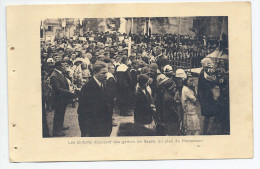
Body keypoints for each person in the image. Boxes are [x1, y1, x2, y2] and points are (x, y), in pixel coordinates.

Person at [78, 61, 112, 137]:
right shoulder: (87, 88)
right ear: (95, 73)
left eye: (106, 72)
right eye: (103, 73)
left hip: (105, 128)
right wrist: (85, 132)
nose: (106, 75)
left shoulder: (104, 85)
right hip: (94, 130)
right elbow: (82, 112)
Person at [50, 61, 76, 136]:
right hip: (59, 98)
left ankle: (60, 127)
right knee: (58, 114)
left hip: (62, 97)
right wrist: (68, 92)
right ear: (58, 67)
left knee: (61, 113)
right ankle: (56, 131)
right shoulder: (54, 76)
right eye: (63, 66)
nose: (65, 67)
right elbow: (57, 89)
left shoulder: (59, 73)